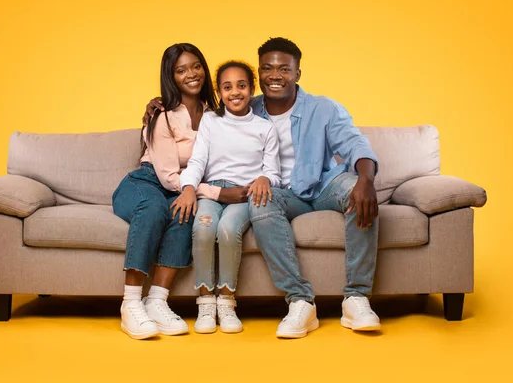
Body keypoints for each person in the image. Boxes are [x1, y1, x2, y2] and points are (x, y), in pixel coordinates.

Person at [145, 37, 381, 339]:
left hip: (322, 184)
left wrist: (366, 179)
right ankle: (299, 302)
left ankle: (357, 299)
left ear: (298, 73)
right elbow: (208, 115)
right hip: (280, 193)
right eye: (268, 68)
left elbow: (355, 143)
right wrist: (160, 104)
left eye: (284, 69)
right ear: (259, 75)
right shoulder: (247, 107)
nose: (275, 75)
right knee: (259, 200)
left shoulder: (323, 108)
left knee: (354, 190)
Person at [112, 43, 221, 340]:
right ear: (170, 77)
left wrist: (193, 193)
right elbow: (166, 174)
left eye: (196, 66)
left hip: (178, 189)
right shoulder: (164, 115)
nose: (192, 74)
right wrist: (213, 193)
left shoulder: (215, 114)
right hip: (146, 182)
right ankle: (131, 304)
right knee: (156, 208)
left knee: (186, 213)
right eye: (181, 70)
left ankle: (157, 301)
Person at [174, 61, 280, 334]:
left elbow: (273, 172)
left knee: (228, 229)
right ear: (219, 92)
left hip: (244, 194)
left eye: (242, 85)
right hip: (212, 189)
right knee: (204, 225)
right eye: (227, 86)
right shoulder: (211, 120)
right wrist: (188, 186)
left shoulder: (264, 128)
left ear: (252, 88)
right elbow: (197, 161)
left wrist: (264, 179)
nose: (235, 92)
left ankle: (227, 302)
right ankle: (206, 302)